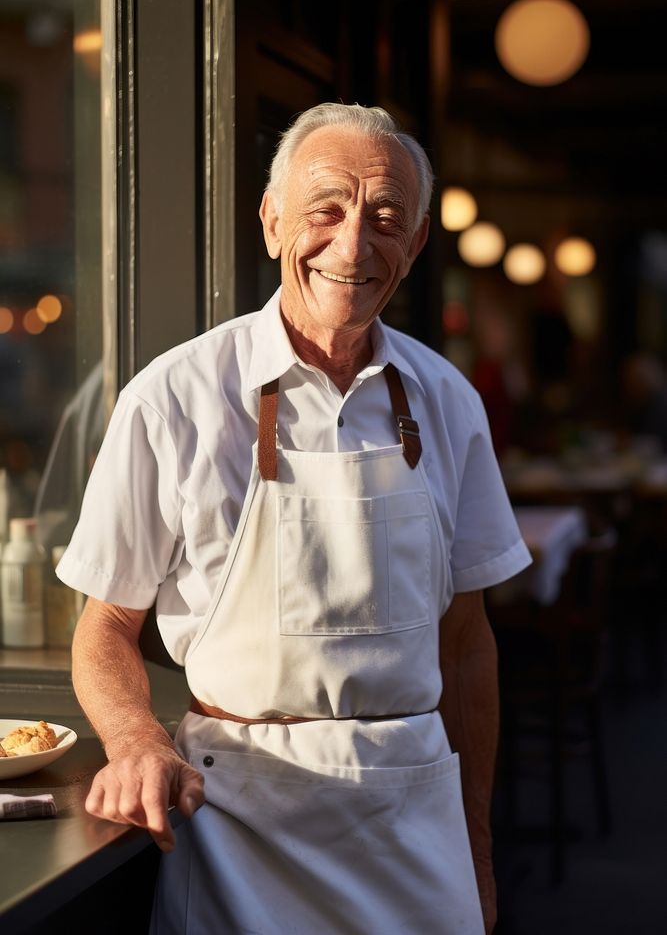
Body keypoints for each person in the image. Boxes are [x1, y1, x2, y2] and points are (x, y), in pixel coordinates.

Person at [58, 102, 532, 934]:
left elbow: (465, 645)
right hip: (237, 818)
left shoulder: (448, 400)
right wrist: (135, 739)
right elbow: (104, 627)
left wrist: (477, 853)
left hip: (410, 826)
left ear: (416, 244)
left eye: (386, 218)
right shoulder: (173, 397)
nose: (352, 246)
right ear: (272, 222)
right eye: (325, 210)